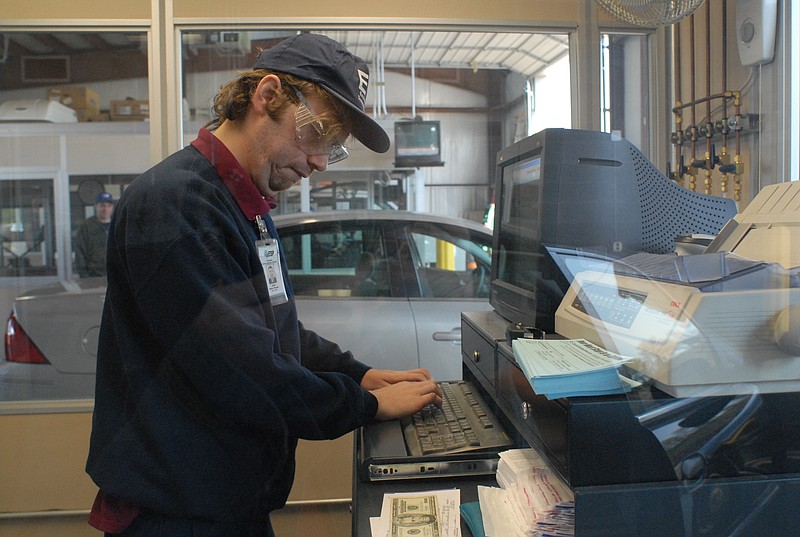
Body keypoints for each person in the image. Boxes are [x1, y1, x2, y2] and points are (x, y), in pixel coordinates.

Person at [85, 33, 443, 537]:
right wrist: (365, 406)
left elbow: (272, 328)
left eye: (333, 149)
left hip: (223, 498)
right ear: (267, 96)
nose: (320, 162)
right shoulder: (177, 205)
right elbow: (241, 370)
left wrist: (357, 374)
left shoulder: (243, 203)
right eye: (318, 133)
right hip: (178, 511)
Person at [74, 191, 114, 277]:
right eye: (102, 206)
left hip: (116, 276)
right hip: (94, 276)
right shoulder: (86, 227)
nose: (106, 209)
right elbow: (80, 252)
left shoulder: (118, 225)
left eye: (109, 206)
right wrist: (84, 275)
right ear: (96, 206)